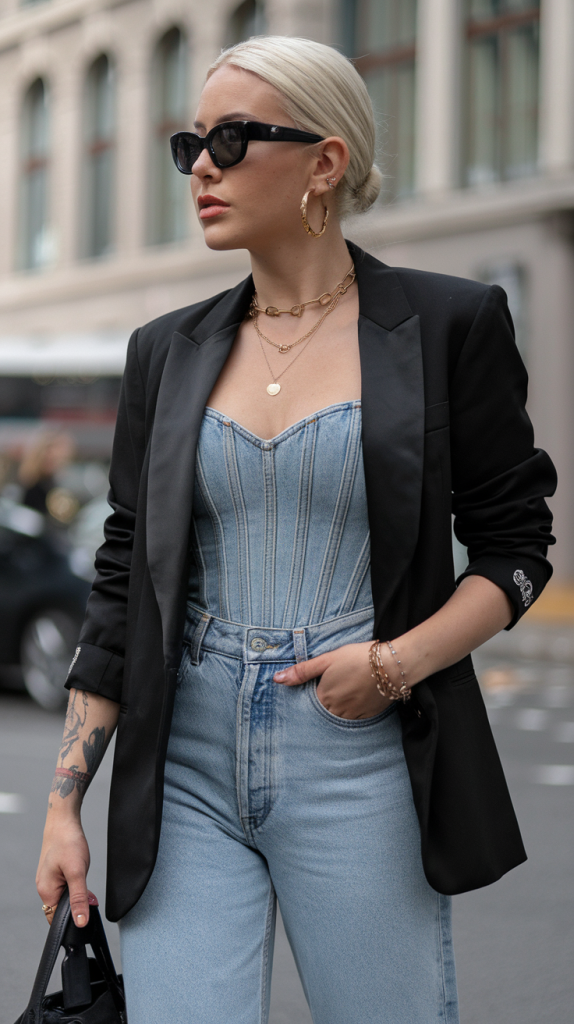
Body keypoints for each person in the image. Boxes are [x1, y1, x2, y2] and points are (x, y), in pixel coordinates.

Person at [36, 36, 557, 1024]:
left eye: (230, 140)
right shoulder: (165, 351)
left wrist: (394, 665)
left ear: (326, 161)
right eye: (191, 143)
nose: (201, 167)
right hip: (184, 758)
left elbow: (515, 550)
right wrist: (66, 800)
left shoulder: (450, 324)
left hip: (360, 750)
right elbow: (122, 579)